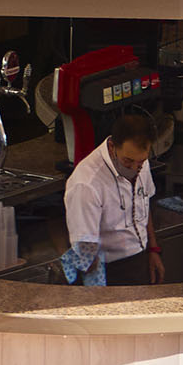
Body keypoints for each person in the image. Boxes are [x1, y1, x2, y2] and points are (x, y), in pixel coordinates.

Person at [62, 103, 167, 285]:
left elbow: (144, 202)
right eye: (128, 161)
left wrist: (153, 249)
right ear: (112, 146)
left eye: (141, 162)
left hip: (139, 259)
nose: (135, 168)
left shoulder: (139, 161)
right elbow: (85, 250)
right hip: (108, 270)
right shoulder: (86, 184)